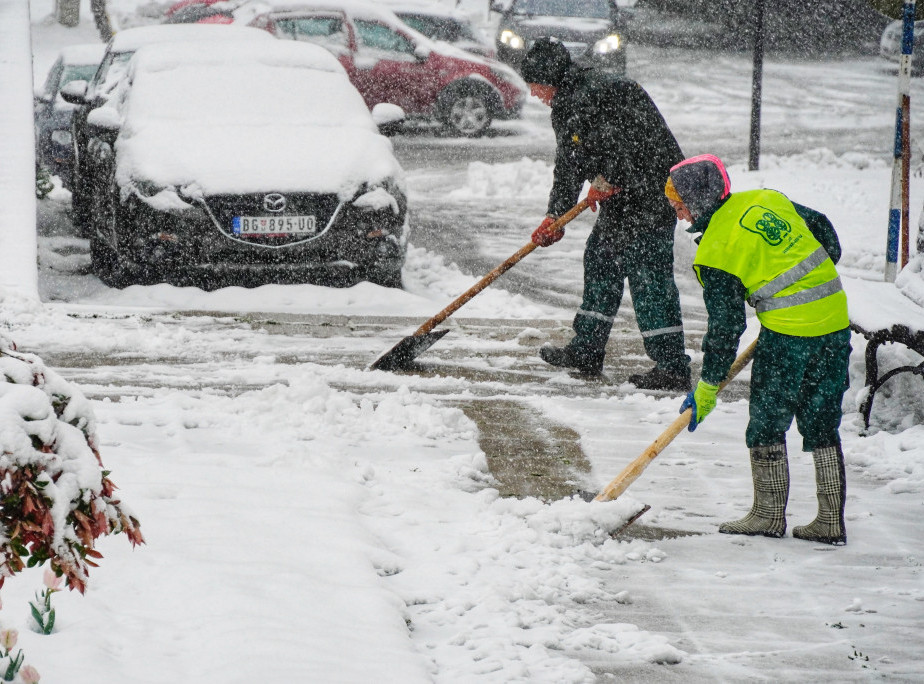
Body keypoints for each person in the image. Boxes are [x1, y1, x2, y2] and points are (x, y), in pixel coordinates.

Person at [667, 154, 851, 545]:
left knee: (768, 420)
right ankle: (830, 520)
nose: (678, 213)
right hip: (835, 320)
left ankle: (768, 515)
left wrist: (708, 386)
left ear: (698, 201)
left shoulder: (716, 250)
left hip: (788, 335)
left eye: (679, 204)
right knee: (822, 419)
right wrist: (804, 282)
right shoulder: (767, 198)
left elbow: (726, 328)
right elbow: (826, 235)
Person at [521, 37, 691, 390]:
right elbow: (568, 163)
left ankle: (672, 366)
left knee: (649, 277)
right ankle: (586, 349)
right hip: (623, 198)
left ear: (549, 77)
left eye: (535, 85)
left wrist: (608, 179)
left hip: (652, 194)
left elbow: (630, 144)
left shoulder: (598, 93)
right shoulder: (568, 103)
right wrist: (555, 215)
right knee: (601, 261)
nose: (534, 93)